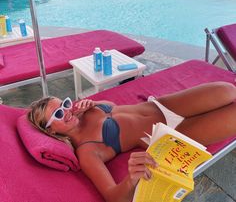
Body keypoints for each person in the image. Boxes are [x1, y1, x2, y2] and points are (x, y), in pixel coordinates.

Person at [28, 82, 236, 202]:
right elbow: (112, 196)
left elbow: (114, 107)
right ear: (51, 131)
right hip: (171, 134)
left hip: (164, 105)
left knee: (228, 90)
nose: (66, 111)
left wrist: (94, 104)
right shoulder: (87, 152)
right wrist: (130, 179)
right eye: (57, 114)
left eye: (64, 104)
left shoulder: (85, 110)